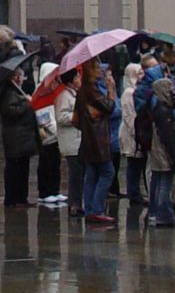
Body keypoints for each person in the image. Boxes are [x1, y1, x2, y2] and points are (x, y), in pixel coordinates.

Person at [73, 63, 117, 226]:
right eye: (97, 68)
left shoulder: (81, 91)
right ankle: (96, 209)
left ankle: (90, 208)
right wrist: (111, 89)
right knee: (107, 172)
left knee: (91, 173)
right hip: (98, 140)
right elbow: (110, 107)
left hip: (88, 140)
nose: (100, 71)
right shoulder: (91, 90)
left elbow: (75, 120)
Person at [143, 67, 175, 227]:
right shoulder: (163, 111)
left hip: (156, 150)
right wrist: (174, 158)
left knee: (158, 181)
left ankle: (154, 213)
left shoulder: (156, 106)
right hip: (163, 152)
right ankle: (164, 215)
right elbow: (169, 138)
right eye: (170, 89)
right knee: (164, 183)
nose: (173, 92)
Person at [0, 60, 38, 206]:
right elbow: (10, 112)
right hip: (15, 138)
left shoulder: (17, 91)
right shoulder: (8, 93)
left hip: (22, 137)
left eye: (21, 75)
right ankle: (14, 199)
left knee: (22, 169)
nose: (20, 78)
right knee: (15, 170)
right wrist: (27, 104)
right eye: (17, 75)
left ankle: (21, 198)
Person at [35, 61, 65, 206]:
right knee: (47, 163)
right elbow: (44, 118)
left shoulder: (53, 92)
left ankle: (54, 189)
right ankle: (45, 191)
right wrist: (58, 132)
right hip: (47, 137)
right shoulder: (40, 94)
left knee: (55, 163)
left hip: (55, 137)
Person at [53, 68, 83, 216]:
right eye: (77, 77)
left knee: (79, 172)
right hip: (71, 142)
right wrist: (76, 116)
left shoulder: (75, 94)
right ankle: (74, 204)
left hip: (78, 140)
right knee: (76, 173)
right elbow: (61, 116)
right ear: (71, 80)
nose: (80, 79)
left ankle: (77, 202)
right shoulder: (64, 96)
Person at [117, 62, 146, 204]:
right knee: (133, 164)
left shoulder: (137, 90)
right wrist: (137, 133)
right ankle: (133, 193)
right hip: (131, 133)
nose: (142, 75)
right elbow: (129, 116)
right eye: (139, 73)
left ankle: (135, 192)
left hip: (136, 131)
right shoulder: (128, 93)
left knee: (137, 163)